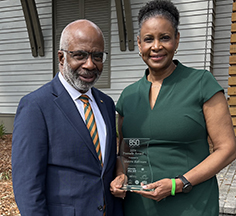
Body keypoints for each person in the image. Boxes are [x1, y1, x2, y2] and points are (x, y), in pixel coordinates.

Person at [110, 0, 236, 215]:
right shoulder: (129, 95)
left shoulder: (201, 83)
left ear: (177, 40)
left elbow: (227, 149)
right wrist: (121, 174)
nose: (156, 46)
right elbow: (126, 150)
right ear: (139, 44)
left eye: (165, 38)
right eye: (148, 39)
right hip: (139, 206)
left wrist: (179, 183)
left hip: (192, 204)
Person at [12, 19, 123, 216]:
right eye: (80, 55)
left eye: (97, 56)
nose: (90, 64)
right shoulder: (36, 106)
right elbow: (27, 187)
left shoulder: (106, 104)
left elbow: (104, 169)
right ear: (61, 57)